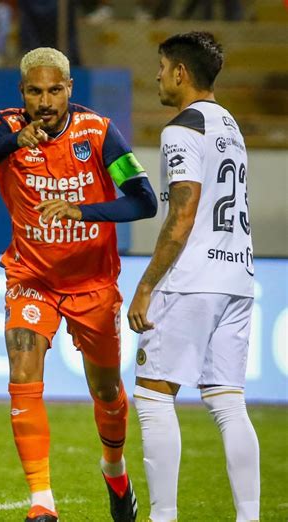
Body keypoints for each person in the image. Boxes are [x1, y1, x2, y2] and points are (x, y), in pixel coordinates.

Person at [0, 47, 157, 522]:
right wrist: (16, 142)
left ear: (70, 89)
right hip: (32, 278)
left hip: (92, 283)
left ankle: (114, 470)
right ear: (23, 93)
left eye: (55, 89)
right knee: (22, 368)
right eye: (36, 91)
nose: (46, 100)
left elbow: (144, 201)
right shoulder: (7, 126)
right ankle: (42, 503)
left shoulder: (97, 133)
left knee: (108, 391)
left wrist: (83, 211)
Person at [127, 31, 260, 522]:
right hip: (237, 276)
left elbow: (182, 214)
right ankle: (250, 516)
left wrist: (145, 286)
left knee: (153, 396)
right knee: (228, 402)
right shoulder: (230, 125)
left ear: (180, 72)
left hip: (192, 279)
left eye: (162, 67)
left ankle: (163, 517)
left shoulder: (181, 129)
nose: (158, 76)